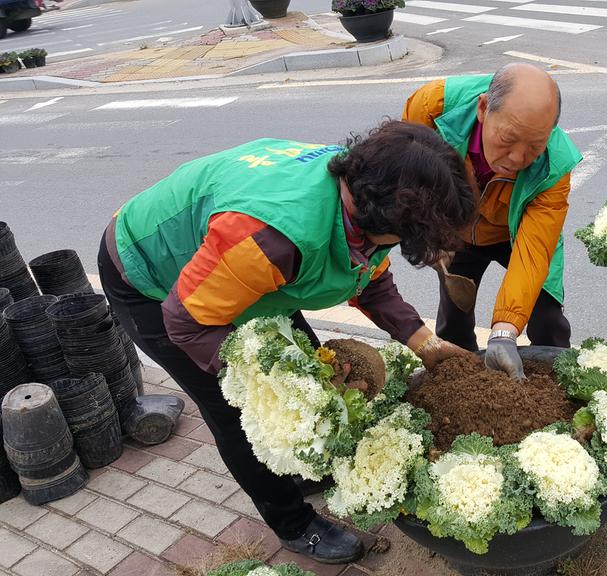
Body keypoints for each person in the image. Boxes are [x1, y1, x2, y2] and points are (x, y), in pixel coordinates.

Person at [97, 120, 476, 564]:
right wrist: (271, 383)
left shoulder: (370, 187)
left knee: (314, 379)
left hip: (243, 273)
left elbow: (367, 277)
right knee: (242, 410)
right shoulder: (277, 236)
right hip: (154, 281)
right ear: (386, 219)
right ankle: (294, 523)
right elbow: (186, 322)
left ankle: (302, 468)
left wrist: (424, 342)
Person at [403, 63, 582, 378]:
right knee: (453, 322)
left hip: (516, 233)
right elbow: (408, 173)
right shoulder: (433, 110)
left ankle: (560, 389)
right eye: (508, 139)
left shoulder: (555, 166)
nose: (516, 159)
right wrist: (426, 231)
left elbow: (534, 251)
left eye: (534, 149)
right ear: (483, 108)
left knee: (549, 323)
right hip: (458, 232)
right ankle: (460, 390)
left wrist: (504, 332)